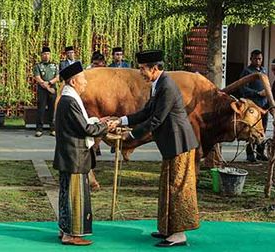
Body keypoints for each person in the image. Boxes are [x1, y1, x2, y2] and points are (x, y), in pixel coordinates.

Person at [109, 50, 199, 247]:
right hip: (170, 144)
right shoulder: (158, 85)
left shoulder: (166, 87)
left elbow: (156, 119)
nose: (140, 72)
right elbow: (146, 112)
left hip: (180, 144)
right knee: (167, 186)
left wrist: (131, 135)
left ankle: (179, 234)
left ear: (155, 68)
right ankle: (167, 228)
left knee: (178, 188)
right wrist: (121, 120)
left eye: (143, 69)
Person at [53, 62, 110, 246]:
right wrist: (105, 126)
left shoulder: (67, 99)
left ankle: (65, 230)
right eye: (83, 79)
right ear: (73, 82)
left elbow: (80, 124)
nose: (85, 83)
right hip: (74, 156)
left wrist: (98, 122)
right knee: (75, 197)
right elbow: (86, 128)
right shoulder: (70, 102)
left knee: (66, 194)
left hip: (70, 155)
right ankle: (72, 234)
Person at [239, 49, 269, 162]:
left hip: (264, 105)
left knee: (262, 130)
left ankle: (260, 152)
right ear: (251, 59)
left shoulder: (263, 70)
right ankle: (250, 154)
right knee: (251, 130)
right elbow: (243, 88)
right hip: (252, 106)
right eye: (255, 59)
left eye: (259, 59)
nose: (257, 61)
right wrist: (257, 93)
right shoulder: (247, 71)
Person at [33, 46, 59, 137]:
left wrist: (50, 82)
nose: (46, 56)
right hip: (42, 90)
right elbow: (38, 78)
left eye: (48, 54)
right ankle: (39, 129)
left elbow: (57, 77)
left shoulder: (55, 65)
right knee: (41, 109)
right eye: (44, 54)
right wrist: (48, 87)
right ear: (41, 55)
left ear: (50, 55)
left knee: (52, 109)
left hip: (53, 89)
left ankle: (53, 129)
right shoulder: (38, 66)